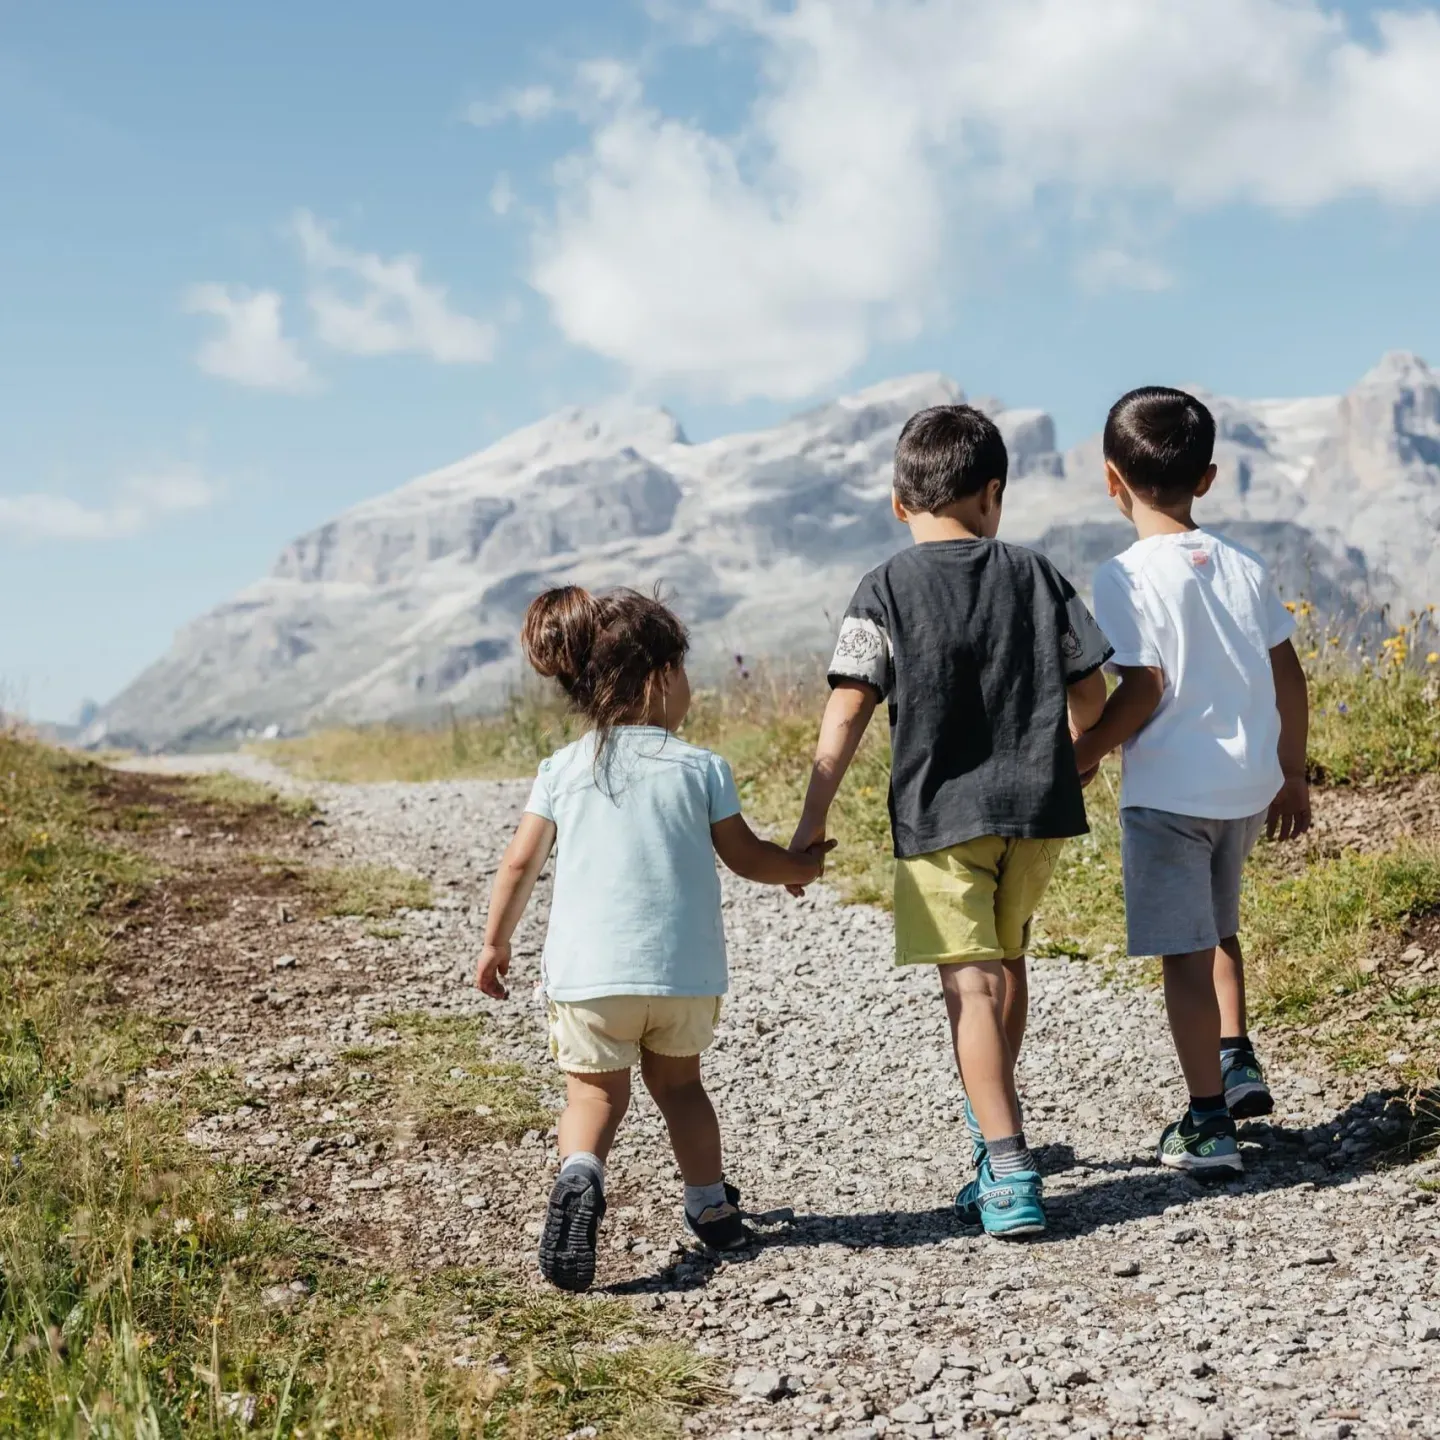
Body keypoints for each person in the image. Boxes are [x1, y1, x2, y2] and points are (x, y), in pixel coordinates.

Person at [789, 405, 1111, 1238]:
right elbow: (1089, 689)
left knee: (968, 986)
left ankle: (1007, 1168)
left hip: (939, 822)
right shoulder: (1038, 574)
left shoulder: (885, 588)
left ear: (900, 504)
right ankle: (994, 1125)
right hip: (1035, 818)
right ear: (992, 494)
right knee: (1007, 964)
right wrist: (1084, 753)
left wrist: (810, 824)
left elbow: (849, 708)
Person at [476, 585, 829, 1292]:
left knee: (594, 1098)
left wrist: (496, 944)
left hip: (591, 979)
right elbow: (744, 854)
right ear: (661, 677)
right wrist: (799, 867)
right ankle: (711, 1208)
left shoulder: (563, 770)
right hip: (682, 976)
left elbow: (519, 862)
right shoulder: (701, 768)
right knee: (682, 1088)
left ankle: (580, 1176)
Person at [1073, 386, 1311, 1178]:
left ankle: (1208, 1122)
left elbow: (1141, 687)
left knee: (1183, 951)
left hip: (1170, 796)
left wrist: (1090, 750)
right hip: (1244, 786)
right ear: (1206, 479)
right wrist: (1292, 776)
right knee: (1219, 925)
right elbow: (1290, 675)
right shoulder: (1245, 566)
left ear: (1112, 480)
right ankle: (1235, 1054)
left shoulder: (1123, 575)